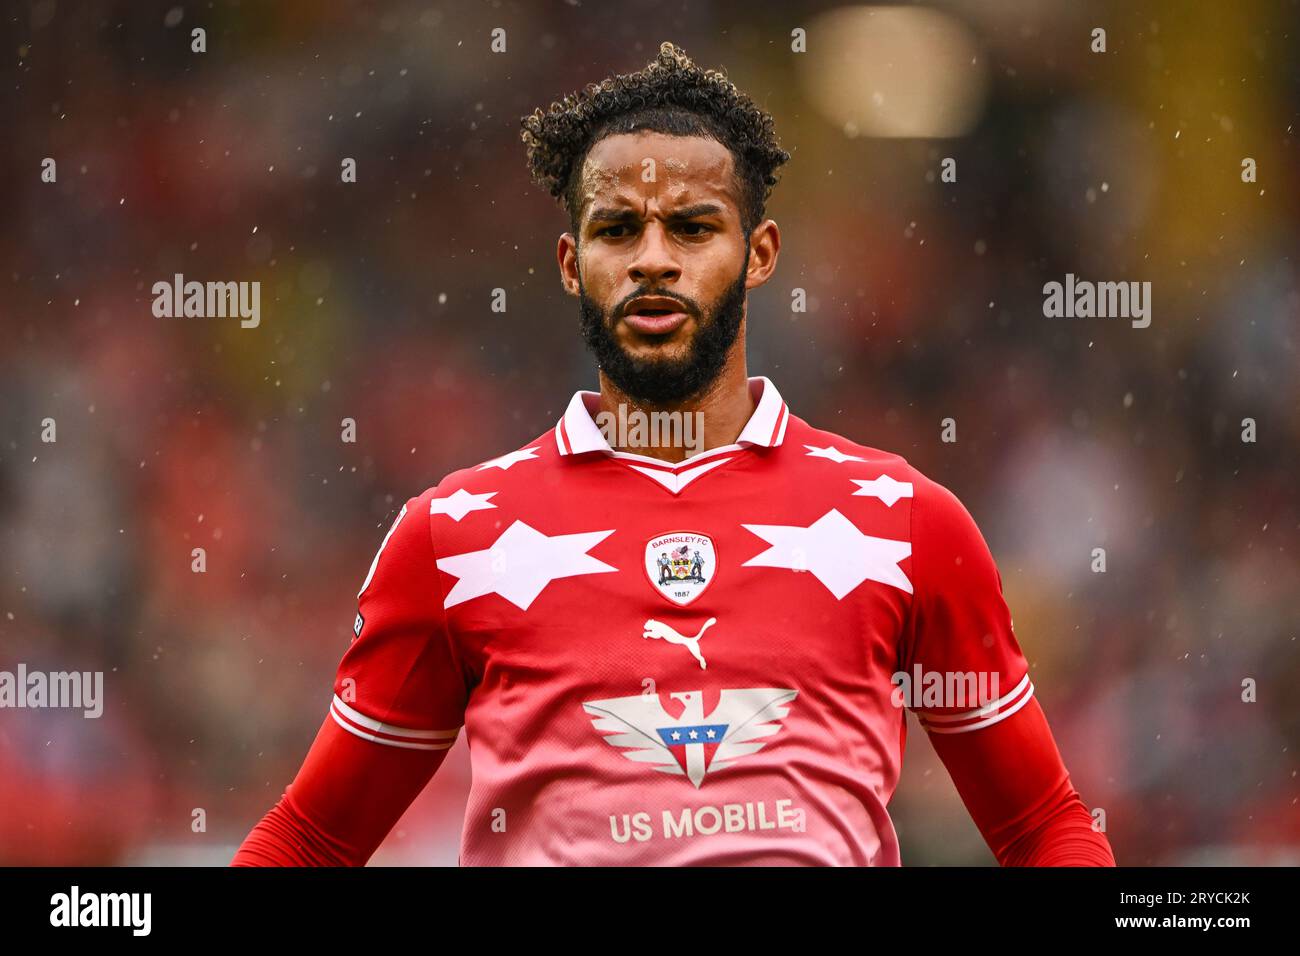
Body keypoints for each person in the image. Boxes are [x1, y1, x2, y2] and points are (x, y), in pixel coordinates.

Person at [233, 41, 1114, 867]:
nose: (654, 259)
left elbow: (1042, 826)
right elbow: (309, 840)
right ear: (573, 263)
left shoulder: (905, 521)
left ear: (758, 253)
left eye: (692, 228)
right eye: (619, 230)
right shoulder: (456, 537)